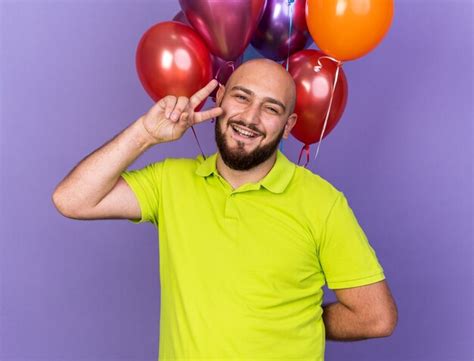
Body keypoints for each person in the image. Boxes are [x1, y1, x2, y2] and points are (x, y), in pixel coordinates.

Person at [52, 58, 398, 360]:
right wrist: (146, 134)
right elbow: (72, 199)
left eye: (271, 108)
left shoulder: (323, 203)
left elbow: (375, 317)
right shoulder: (170, 182)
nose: (250, 117)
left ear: (289, 126)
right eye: (241, 97)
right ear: (220, 99)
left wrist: (294, 319)